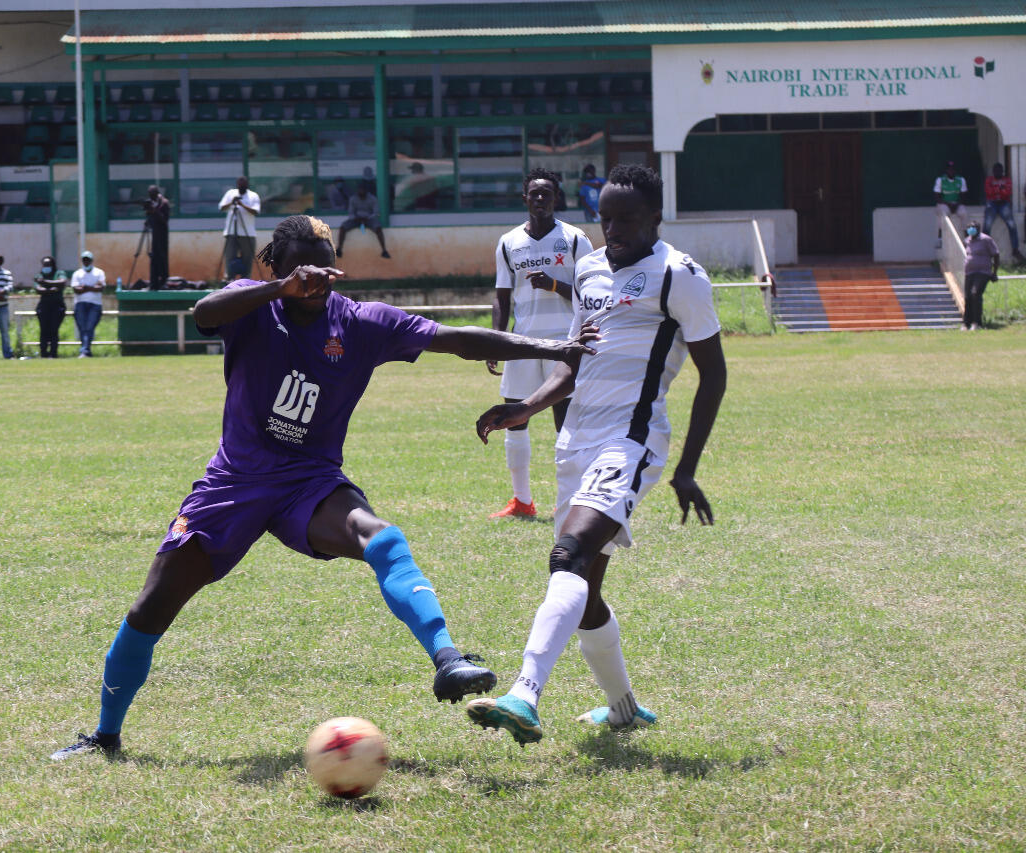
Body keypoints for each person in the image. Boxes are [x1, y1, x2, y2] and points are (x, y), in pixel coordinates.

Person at [50, 214, 599, 760]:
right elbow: (203, 313)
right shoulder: (252, 301)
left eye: (324, 265)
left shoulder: (361, 322)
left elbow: (455, 338)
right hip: (233, 483)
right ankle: (105, 735)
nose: (314, 276)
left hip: (309, 485)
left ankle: (448, 658)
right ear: (279, 268)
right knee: (152, 606)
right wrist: (275, 289)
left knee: (382, 539)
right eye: (300, 268)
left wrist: (556, 348)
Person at [466, 164, 727, 744]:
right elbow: (573, 360)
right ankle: (625, 709)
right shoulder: (588, 269)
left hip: (631, 441)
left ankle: (523, 693)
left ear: (656, 217)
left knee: (569, 555)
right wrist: (525, 408)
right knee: (585, 593)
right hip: (574, 442)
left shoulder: (678, 276)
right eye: (606, 219)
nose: (614, 230)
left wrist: (685, 468)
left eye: (627, 220)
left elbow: (714, 375)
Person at [486, 167, 594, 519]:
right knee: (513, 419)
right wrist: (496, 340)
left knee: (566, 424)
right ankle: (522, 502)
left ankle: (574, 501)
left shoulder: (576, 239)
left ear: (557, 198)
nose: (540, 199)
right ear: (525, 198)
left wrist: (553, 285)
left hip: (566, 343)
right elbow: (502, 296)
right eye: (534, 193)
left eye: (547, 193)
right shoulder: (508, 242)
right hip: (520, 344)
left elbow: (591, 293)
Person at [219, 176, 261, 281]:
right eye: (240, 184)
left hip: (248, 232)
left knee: (247, 258)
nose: (241, 186)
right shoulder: (231, 193)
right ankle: (229, 279)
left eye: (243, 184)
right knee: (229, 257)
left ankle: (245, 280)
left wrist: (242, 205)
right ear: (237, 184)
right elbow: (222, 207)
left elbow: (256, 211)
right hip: (231, 231)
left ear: (247, 185)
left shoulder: (253, 195)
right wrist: (231, 202)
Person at [982, 163, 1024, 264]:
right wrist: (1000, 190)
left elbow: (1008, 192)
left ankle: (1015, 250)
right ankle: (983, 250)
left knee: (1012, 225)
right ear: (993, 171)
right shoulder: (989, 180)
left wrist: (997, 191)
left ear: (1002, 171)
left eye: (999, 170)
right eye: (996, 170)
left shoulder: (1007, 180)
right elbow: (988, 192)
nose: (998, 172)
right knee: (987, 226)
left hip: (1003, 203)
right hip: (992, 203)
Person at [336, 182, 390, 259]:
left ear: (366, 191)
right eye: (359, 190)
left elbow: (376, 213)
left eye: (363, 190)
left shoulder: (372, 199)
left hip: (369, 219)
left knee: (378, 228)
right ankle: (339, 249)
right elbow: (351, 213)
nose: (361, 191)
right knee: (343, 227)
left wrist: (367, 218)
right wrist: (356, 218)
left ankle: (384, 251)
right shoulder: (353, 199)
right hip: (355, 219)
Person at [962, 221, 999, 331]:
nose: (971, 229)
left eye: (973, 227)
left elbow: (996, 255)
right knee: (968, 296)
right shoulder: (967, 240)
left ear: (978, 229)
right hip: (969, 272)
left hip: (983, 272)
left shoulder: (986, 240)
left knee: (975, 293)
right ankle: (966, 323)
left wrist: (994, 272)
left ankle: (977, 323)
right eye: (969, 227)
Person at [71, 250, 106, 357]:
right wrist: (92, 287)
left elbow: (100, 288)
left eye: (88, 259)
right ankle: (86, 351)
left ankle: (85, 350)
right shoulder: (77, 273)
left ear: (92, 260)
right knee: (83, 328)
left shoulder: (99, 272)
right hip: (80, 304)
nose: (86, 261)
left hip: (95, 304)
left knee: (89, 327)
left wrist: (85, 287)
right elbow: (76, 289)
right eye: (84, 259)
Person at [33, 254, 68, 358]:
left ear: (52, 264)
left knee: (54, 330)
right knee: (44, 330)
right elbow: (39, 289)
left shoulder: (59, 273)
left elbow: (62, 282)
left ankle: (53, 353)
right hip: (44, 306)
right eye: (44, 264)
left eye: (48, 264)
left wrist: (45, 283)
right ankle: (43, 353)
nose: (46, 266)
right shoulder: (39, 275)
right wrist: (53, 287)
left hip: (57, 306)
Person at [934, 160, 968, 247]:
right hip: (945, 203)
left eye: (952, 169)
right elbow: (937, 197)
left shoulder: (961, 179)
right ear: (946, 170)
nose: (951, 171)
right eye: (949, 169)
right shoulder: (940, 179)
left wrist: (957, 204)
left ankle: (967, 239)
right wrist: (948, 204)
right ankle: (940, 239)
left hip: (957, 203)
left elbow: (964, 196)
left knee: (964, 213)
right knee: (943, 214)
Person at [144, 185, 171, 289]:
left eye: (152, 195)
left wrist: (155, 211)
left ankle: (163, 281)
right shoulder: (154, 203)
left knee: (162, 258)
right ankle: (153, 282)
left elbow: (164, 220)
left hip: (162, 236)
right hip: (155, 235)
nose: (151, 198)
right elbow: (152, 218)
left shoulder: (164, 203)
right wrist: (148, 219)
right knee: (154, 258)